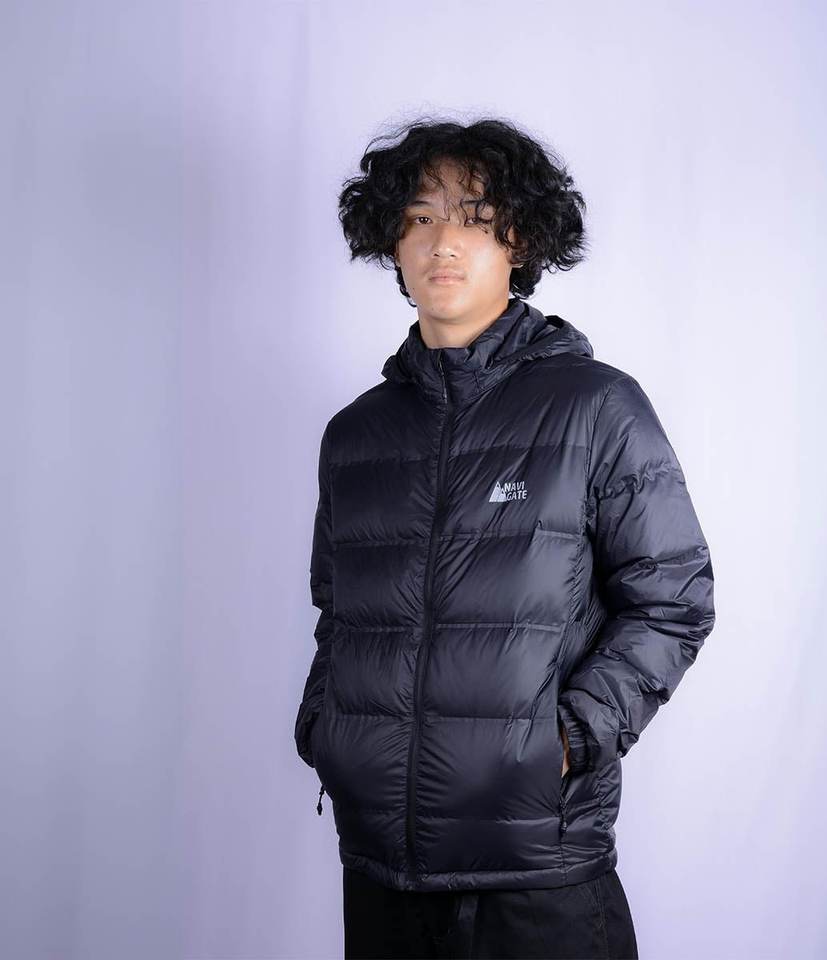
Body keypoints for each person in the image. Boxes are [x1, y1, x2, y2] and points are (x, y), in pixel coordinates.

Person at [294, 117, 716, 959]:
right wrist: (326, 733)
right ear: (392, 241)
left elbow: (673, 601)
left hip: (536, 870)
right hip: (380, 867)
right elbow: (338, 610)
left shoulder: (595, 407)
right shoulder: (356, 435)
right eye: (420, 217)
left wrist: (566, 739)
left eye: (476, 218)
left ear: (520, 241)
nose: (443, 241)